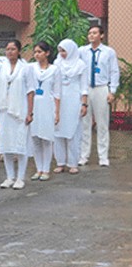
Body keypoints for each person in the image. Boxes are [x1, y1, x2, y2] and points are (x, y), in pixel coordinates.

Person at [0, 40, 35, 190]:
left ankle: (20, 177)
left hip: (20, 110)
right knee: (6, 145)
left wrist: (30, 112)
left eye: (13, 49)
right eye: (7, 49)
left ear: (19, 51)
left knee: (20, 145)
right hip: (4, 110)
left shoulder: (26, 68)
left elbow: (30, 91)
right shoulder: (1, 67)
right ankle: (9, 176)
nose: (10, 52)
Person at [79, 26, 119, 167]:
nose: (91, 35)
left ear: (101, 35)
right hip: (86, 88)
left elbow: (114, 71)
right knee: (84, 123)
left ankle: (103, 156)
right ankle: (84, 155)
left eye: (94, 33)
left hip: (101, 88)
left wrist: (112, 91)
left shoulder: (108, 52)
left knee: (102, 123)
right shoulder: (82, 51)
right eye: (89, 33)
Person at [54, 39, 89, 175]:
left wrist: (84, 103)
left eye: (64, 50)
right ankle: (60, 162)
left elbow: (84, 86)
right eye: (60, 51)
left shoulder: (80, 65)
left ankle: (73, 163)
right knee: (58, 132)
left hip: (74, 100)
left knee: (73, 131)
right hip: (59, 101)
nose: (62, 53)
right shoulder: (57, 64)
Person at [29, 42, 61, 181]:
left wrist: (57, 112)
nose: (37, 54)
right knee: (35, 138)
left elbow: (57, 92)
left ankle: (46, 169)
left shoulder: (55, 70)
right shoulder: (31, 68)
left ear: (47, 53)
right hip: (34, 106)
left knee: (46, 139)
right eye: (35, 52)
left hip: (48, 106)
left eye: (40, 52)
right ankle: (38, 169)